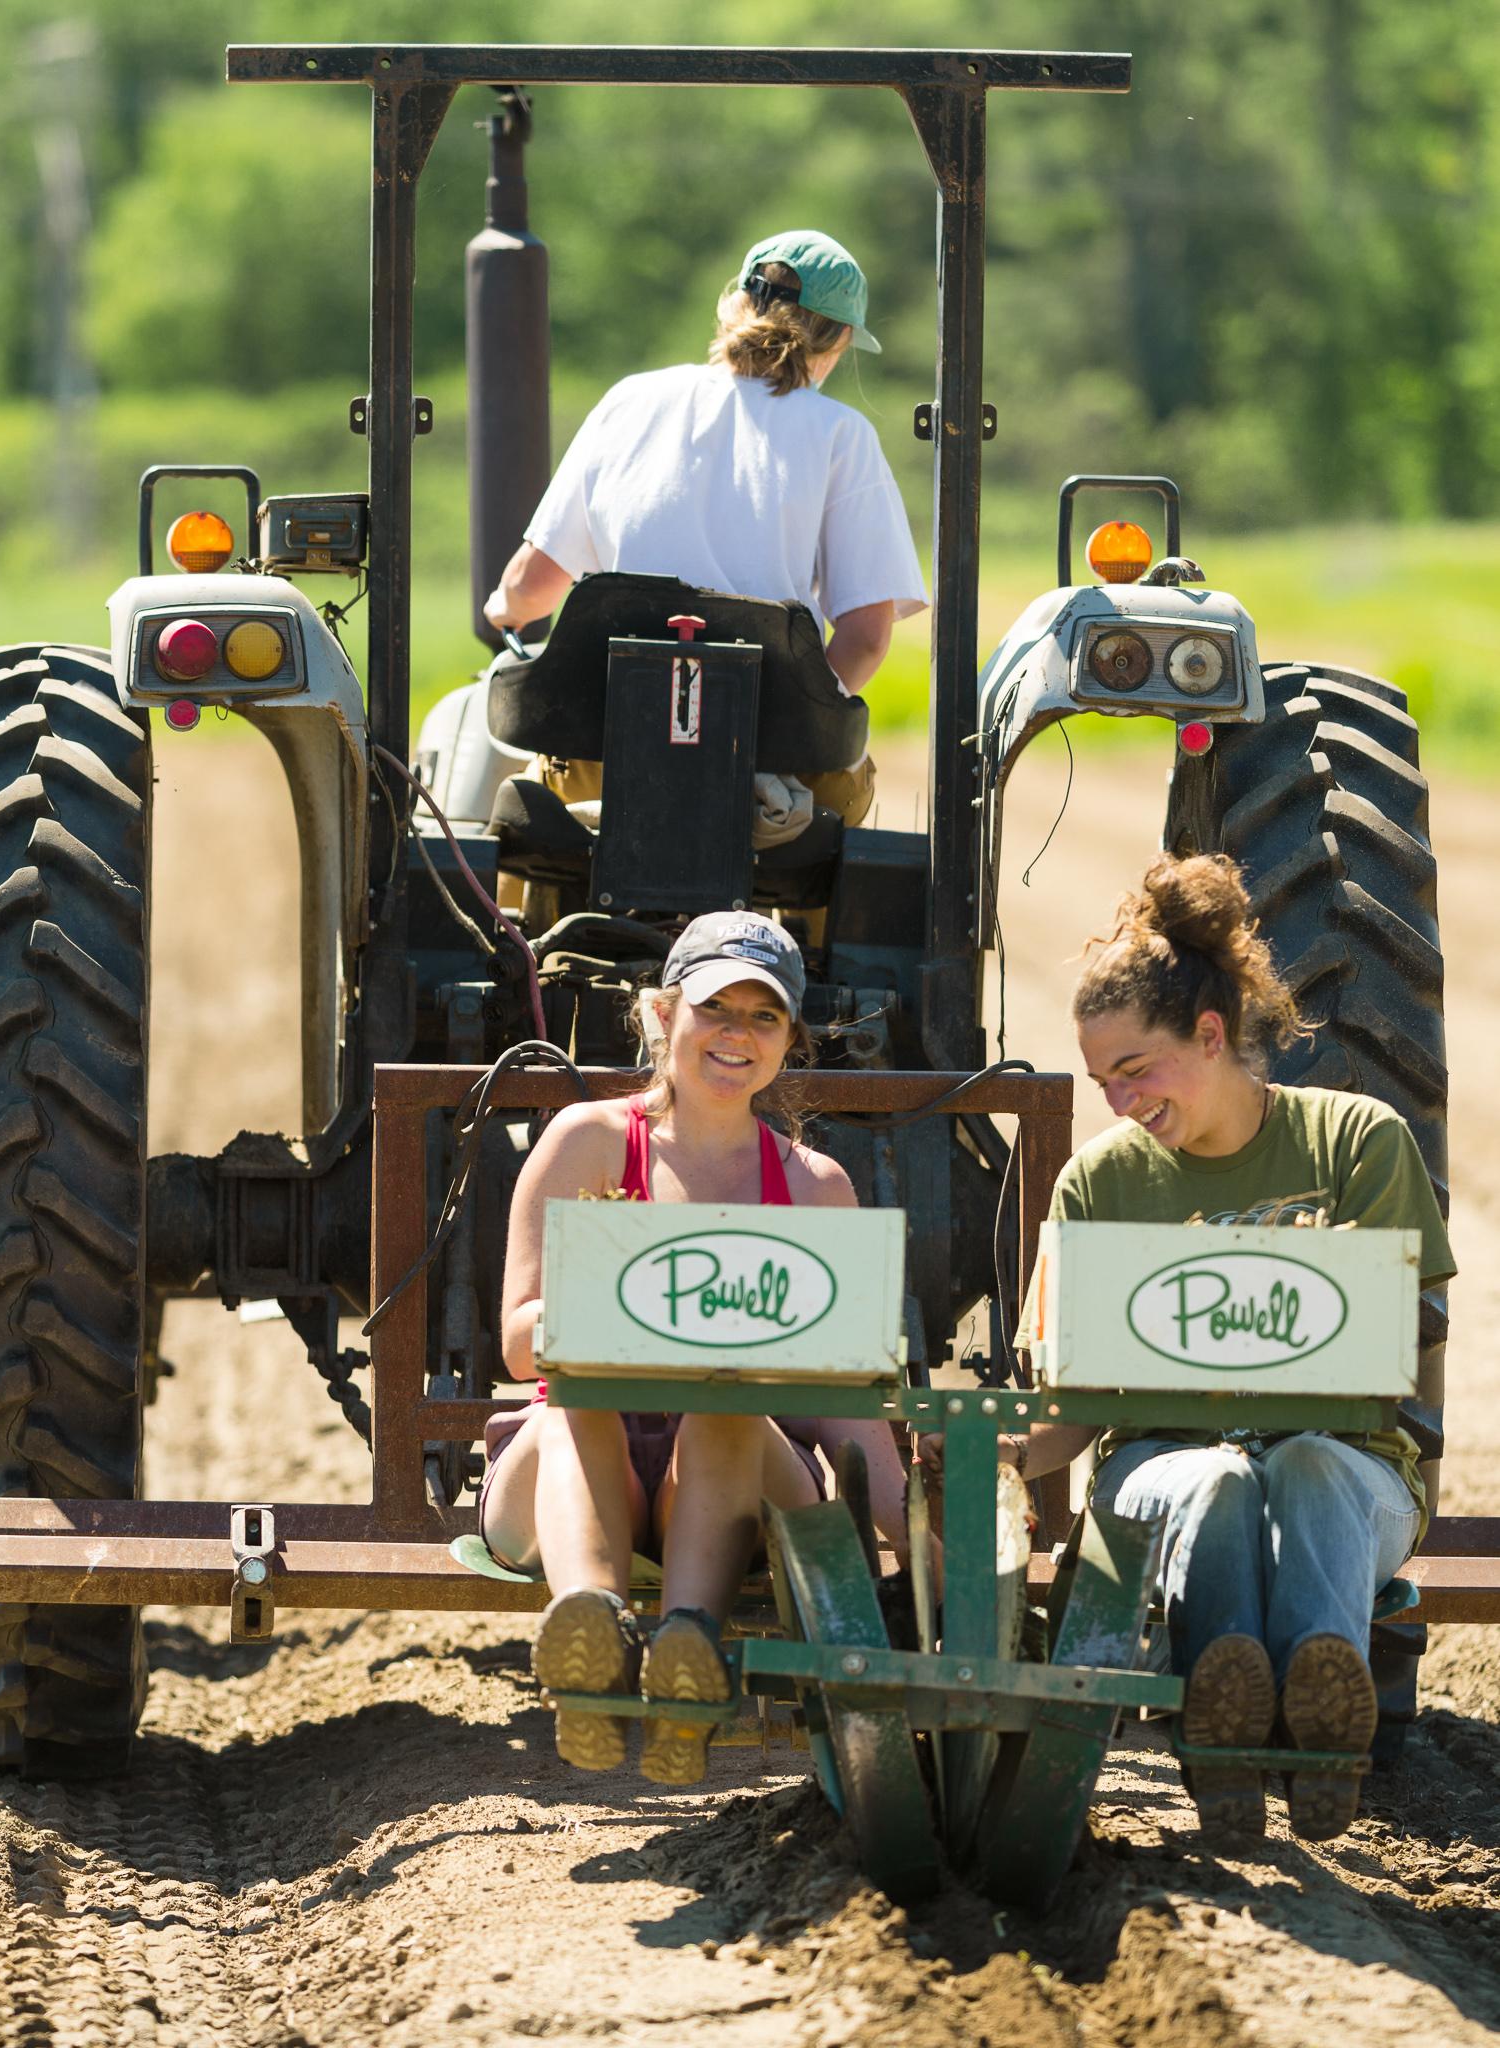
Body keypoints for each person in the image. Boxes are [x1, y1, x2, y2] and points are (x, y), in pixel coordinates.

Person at [1007, 854, 1454, 1842]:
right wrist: (1003, 1454)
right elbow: (1076, 1400)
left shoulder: (1356, 1145)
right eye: (1101, 1078)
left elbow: (1397, 1357)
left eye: (1136, 1068)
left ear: (1210, 1035)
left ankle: (1312, 1715)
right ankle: (1227, 1718)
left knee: (1300, 1464)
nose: (1119, 1101)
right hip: (1159, 1467)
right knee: (1214, 1478)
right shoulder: (1098, 1183)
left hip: (1345, 1468)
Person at [485, 911, 910, 1786]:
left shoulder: (814, 1188)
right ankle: (590, 1645)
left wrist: (921, 1536)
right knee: (577, 1399)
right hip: (572, 1457)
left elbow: (846, 1394)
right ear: (662, 1014)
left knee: (728, 1408)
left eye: (764, 1017)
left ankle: (687, 1656)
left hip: (727, 1474)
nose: (736, 1034)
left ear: (791, 1039)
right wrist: (631, 1314)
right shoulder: (590, 1142)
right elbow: (522, 1348)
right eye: (717, 1008)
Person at [482, 228, 928, 827]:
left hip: (606, 760)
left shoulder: (628, 402)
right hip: (768, 776)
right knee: (835, 836)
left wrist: (503, 608)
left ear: (734, 304)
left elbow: (531, 586)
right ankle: (807, 925)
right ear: (840, 338)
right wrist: (784, 737)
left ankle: (529, 923)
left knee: (531, 826)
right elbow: (867, 637)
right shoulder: (841, 436)